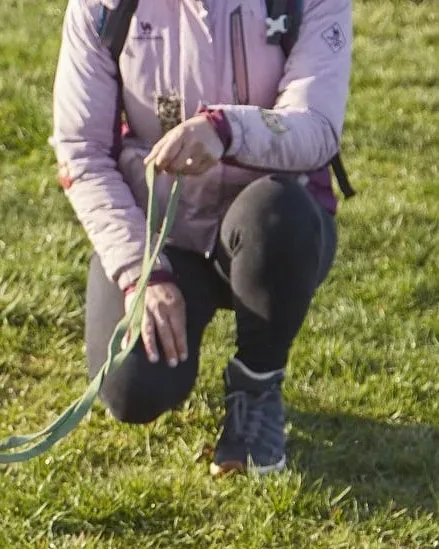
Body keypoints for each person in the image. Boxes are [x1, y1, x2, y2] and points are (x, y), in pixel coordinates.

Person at [51, 0, 352, 475]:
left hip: (269, 224)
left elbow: (316, 126)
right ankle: (169, 321)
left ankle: (258, 384)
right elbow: (82, 152)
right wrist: (140, 272)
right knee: (131, 390)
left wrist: (225, 130)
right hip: (161, 230)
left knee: (280, 215)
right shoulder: (102, 6)